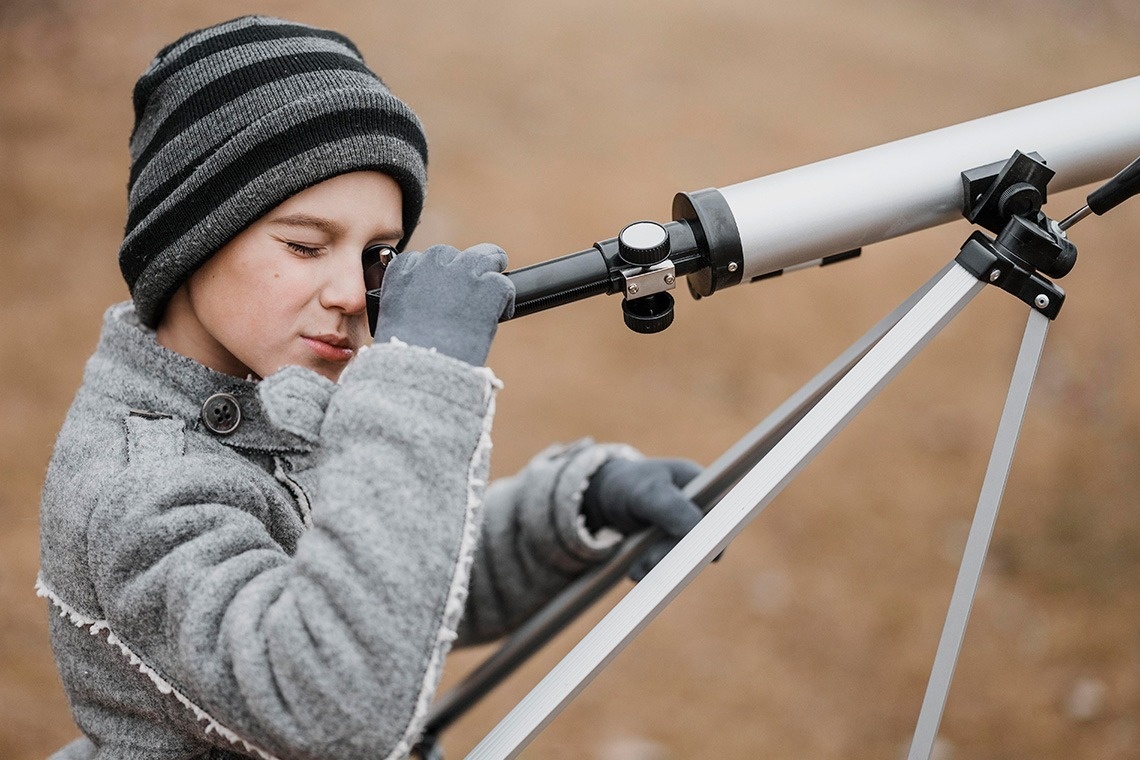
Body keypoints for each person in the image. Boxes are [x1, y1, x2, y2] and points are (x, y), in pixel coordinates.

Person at [37, 15, 704, 760]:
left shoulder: (270, 398)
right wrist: (417, 380)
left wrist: (571, 506)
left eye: (378, 254)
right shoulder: (141, 487)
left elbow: (384, 587)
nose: (354, 293)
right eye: (305, 245)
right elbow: (334, 701)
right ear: (192, 236)